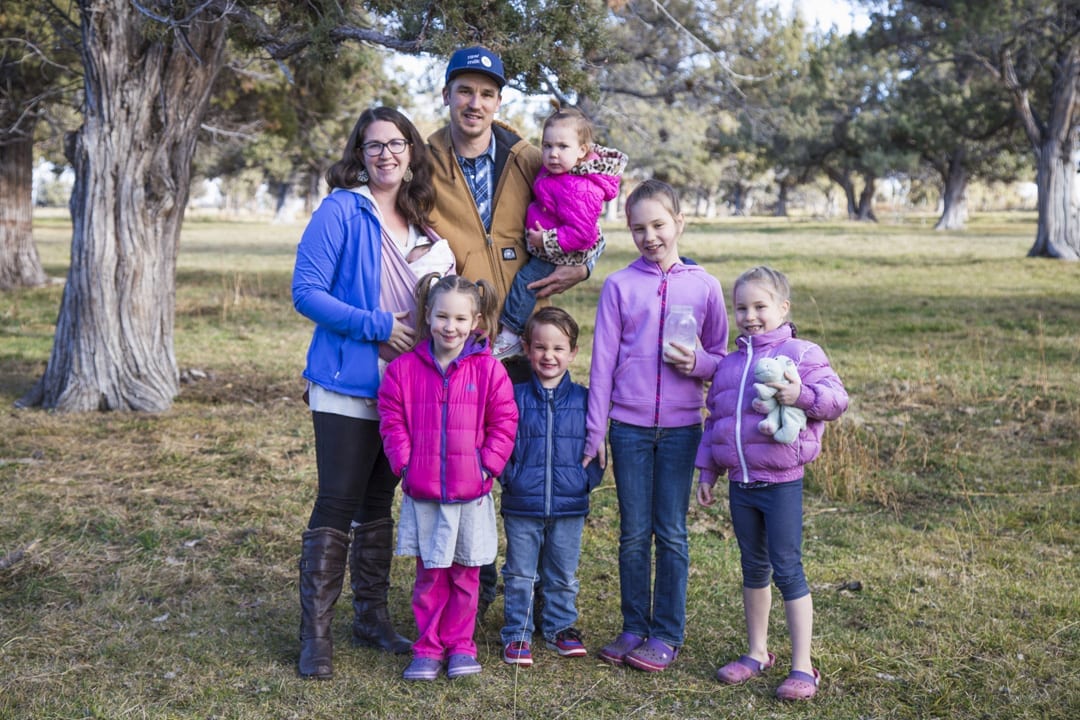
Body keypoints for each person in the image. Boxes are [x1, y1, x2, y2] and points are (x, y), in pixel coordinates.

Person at [427, 45, 601, 620]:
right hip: (463, 335)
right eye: (464, 91)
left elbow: (585, 203)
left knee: (522, 457)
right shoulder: (425, 158)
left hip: (523, 335)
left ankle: (535, 584)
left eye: (486, 93)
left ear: (498, 101)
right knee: (466, 455)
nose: (474, 103)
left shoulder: (527, 155)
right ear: (448, 94)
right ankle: (478, 579)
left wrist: (587, 262)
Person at [291, 106, 446, 679]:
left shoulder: (421, 225)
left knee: (378, 502)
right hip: (344, 381)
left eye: (397, 143)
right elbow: (305, 292)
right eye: (374, 145)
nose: (386, 154)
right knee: (336, 499)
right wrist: (376, 325)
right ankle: (315, 636)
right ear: (359, 154)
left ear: (411, 154)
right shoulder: (341, 212)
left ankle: (371, 618)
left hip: (402, 389)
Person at [584, 179, 729, 672]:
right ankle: (633, 626)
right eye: (638, 228)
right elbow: (601, 363)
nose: (650, 236)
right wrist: (594, 431)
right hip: (627, 427)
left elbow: (723, 361)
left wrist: (700, 365)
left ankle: (666, 633)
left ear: (679, 223)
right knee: (631, 532)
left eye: (659, 225)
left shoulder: (705, 286)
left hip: (682, 429)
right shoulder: (620, 286)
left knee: (670, 532)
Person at [695, 266, 848, 701]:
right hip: (741, 485)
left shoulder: (802, 353)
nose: (750, 315)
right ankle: (757, 652)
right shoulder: (729, 365)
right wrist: (708, 472)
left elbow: (836, 400)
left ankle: (803, 666)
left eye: (760, 306)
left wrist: (799, 395)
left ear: (783, 308)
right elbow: (716, 422)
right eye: (741, 307)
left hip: (781, 482)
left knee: (787, 569)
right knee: (753, 567)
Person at [378, 274, 518, 681]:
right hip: (425, 494)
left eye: (460, 318)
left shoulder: (489, 370)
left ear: (475, 320)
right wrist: (405, 463)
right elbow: (391, 420)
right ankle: (427, 647)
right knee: (430, 575)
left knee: (465, 574)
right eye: (442, 316)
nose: (450, 327)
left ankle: (460, 645)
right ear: (428, 315)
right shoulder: (404, 370)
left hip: (470, 493)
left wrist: (485, 467)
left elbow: (504, 422)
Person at [499, 307, 604, 667]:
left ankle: (560, 626)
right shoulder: (513, 397)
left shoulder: (585, 400)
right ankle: (517, 631)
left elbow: (597, 450)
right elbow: (500, 441)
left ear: (573, 352)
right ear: (527, 349)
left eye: (559, 348)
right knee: (519, 573)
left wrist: (583, 482)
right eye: (541, 347)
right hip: (521, 502)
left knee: (562, 573)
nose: (549, 356)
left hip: (569, 503)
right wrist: (510, 477)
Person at [491, 107, 627, 360]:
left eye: (563, 147)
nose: (552, 154)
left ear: (582, 152)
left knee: (527, 282)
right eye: (547, 146)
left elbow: (582, 234)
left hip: (562, 251)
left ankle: (510, 335)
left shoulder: (578, 187)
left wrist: (545, 240)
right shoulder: (562, 172)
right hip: (552, 240)